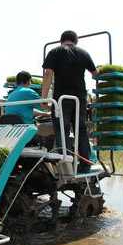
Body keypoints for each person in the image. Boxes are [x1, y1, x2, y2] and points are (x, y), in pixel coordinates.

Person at [41, 30, 97, 173]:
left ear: (61, 40)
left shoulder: (54, 52)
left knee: (62, 130)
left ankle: (65, 165)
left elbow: (48, 74)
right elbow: (95, 74)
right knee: (81, 130)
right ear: (75, 41)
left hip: (61, 99)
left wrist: (44, 98)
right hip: (80, 98)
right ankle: (85, 165)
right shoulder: (84, 53)